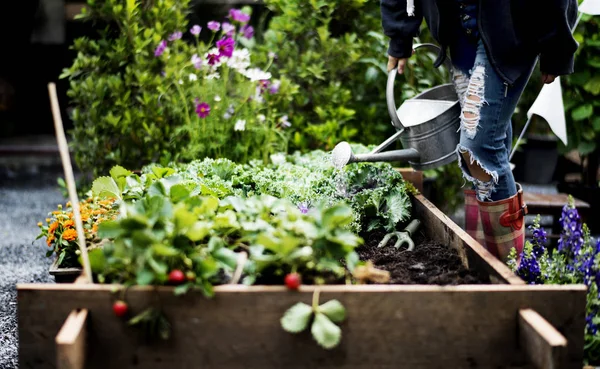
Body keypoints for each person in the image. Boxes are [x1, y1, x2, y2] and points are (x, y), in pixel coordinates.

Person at [380, 0, 579, 263]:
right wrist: (400, 31)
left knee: (478, 148)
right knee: (490, 140)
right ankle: (482, 258)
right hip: (458, 30)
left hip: (511, 27)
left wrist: (556, 44)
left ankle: (508, 272)